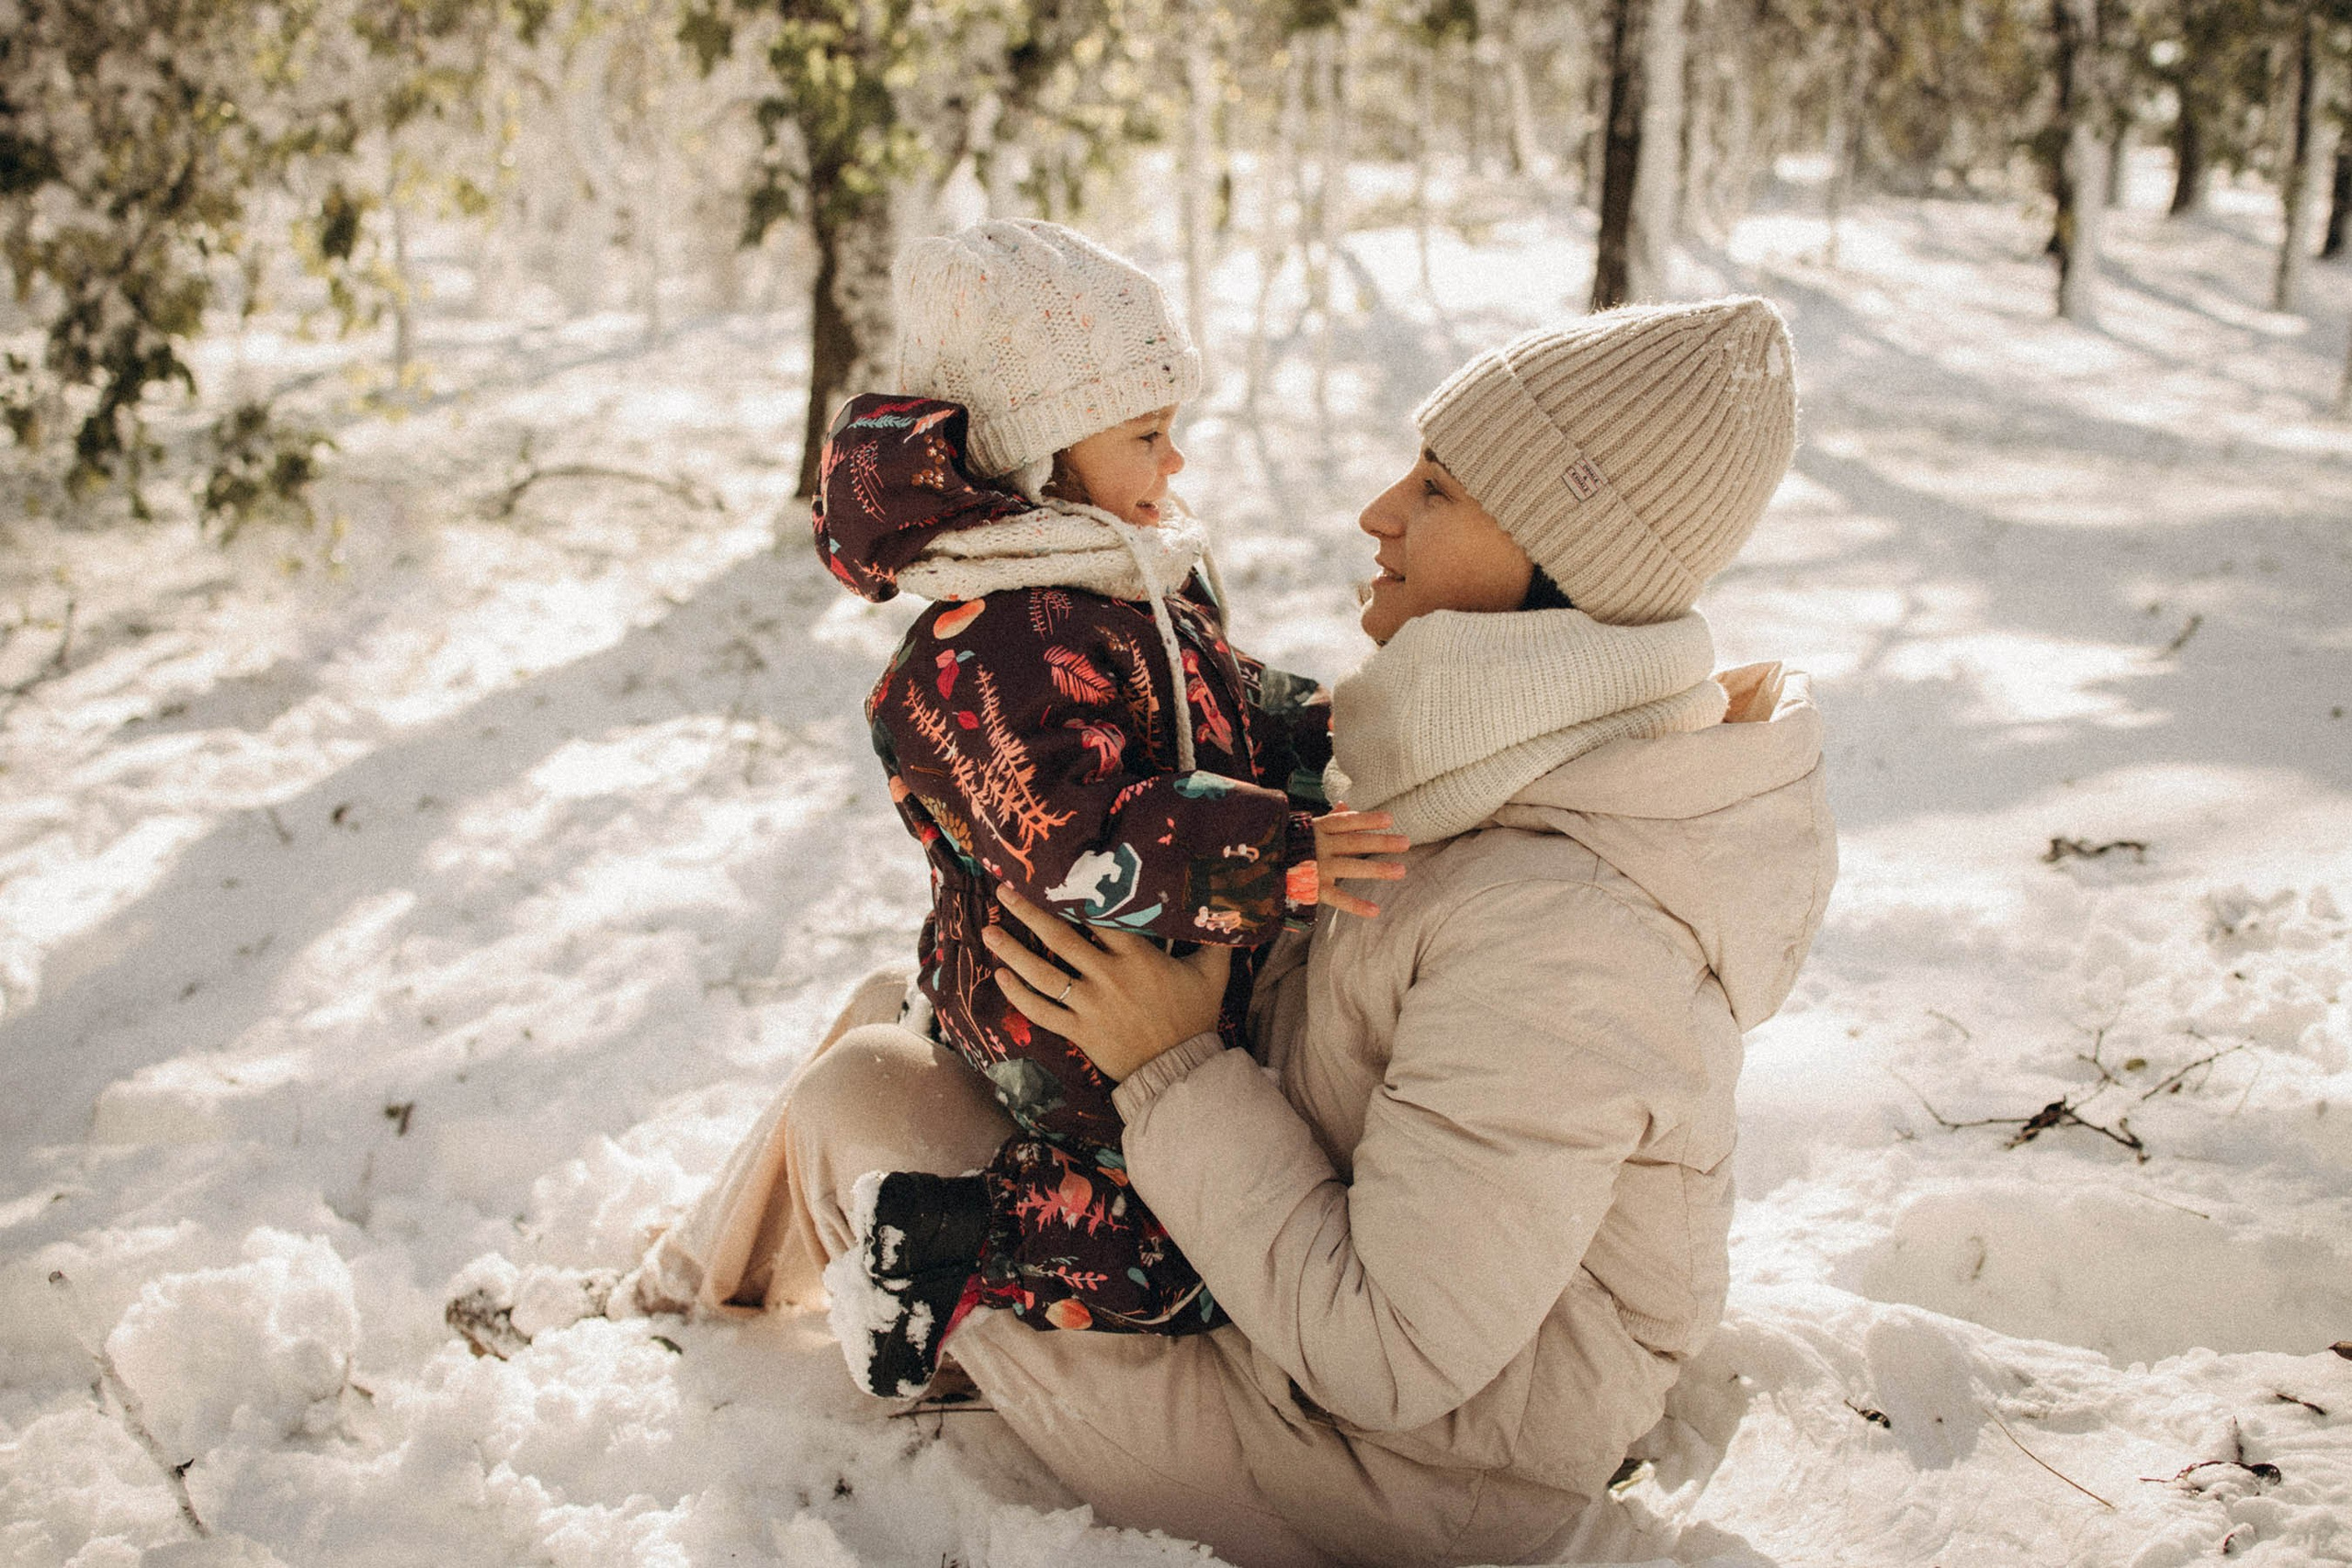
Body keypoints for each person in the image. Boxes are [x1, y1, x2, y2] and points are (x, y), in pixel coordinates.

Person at [574, 295, 1829, 1568]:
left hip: (1398, 1466)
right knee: (899, 1017)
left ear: (1563, 556)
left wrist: (1168, 1062)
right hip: (1301, 1321)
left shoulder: (1572, 933)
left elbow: (1389, 1352)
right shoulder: (1493, 752)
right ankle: (684, 1290)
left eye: (1439, 489)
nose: (1378, 510)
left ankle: (726, 1329)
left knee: (859, 1096)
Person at [745, 218, 1411, 1400]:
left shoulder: (1120, 583)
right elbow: (1074, 834)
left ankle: (740, 1272)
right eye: (1147, 436)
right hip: (1056, 1043)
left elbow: (1243, 712)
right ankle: (949, 1241)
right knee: (1170, 1266)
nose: (1176, 466)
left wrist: (1360, 743)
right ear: (1039, 453)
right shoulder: (985, 640)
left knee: (1172, 1222)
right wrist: (1279, 851)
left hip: (1128, 1016)